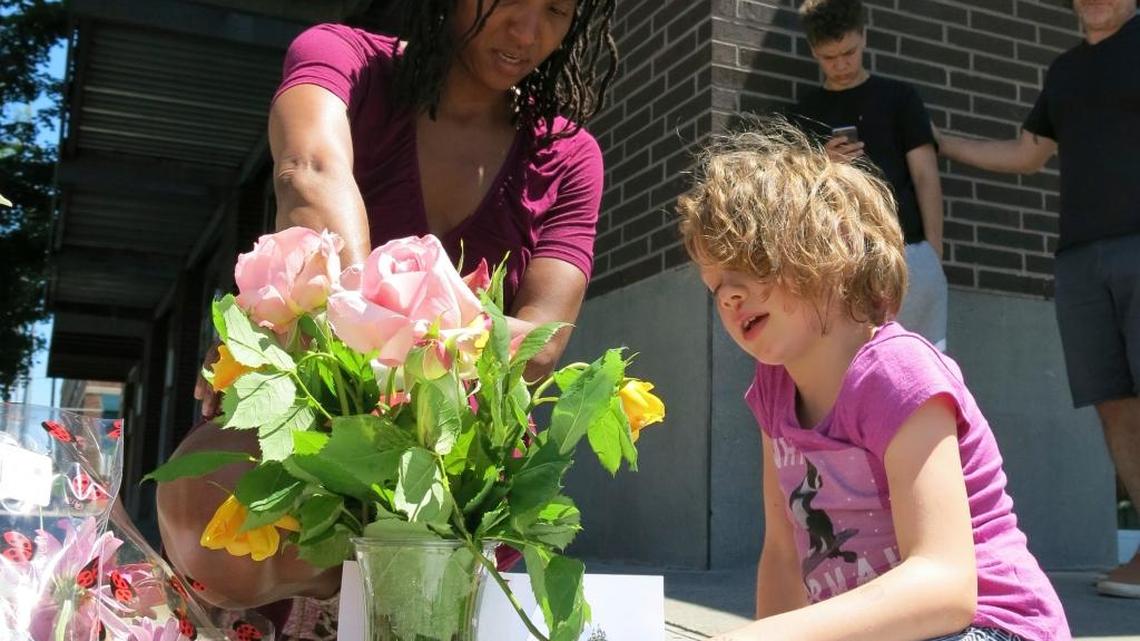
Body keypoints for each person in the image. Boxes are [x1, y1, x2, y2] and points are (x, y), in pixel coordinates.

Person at [155, 0, 619, 633]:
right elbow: (310, 173)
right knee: (202, 515)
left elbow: (542, 338)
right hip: (311, 418)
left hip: (456, 451)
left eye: (558, 11)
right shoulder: (341, 59)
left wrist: (406, 348)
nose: (529, 32)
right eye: (508, 0)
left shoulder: (569, 155)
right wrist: (351, 341)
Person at [676, 118, 1070, 641]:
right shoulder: (771, 390)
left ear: (831, 250)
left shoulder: (896, 371)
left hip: (991, 627)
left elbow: (945, 585)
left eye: (753, 263)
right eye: (714, 284)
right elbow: (781, 552)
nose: (727, 295)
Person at [934, 0, 1140, 599]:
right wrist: (940, 143)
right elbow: (1028, 153)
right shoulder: (1065, 71)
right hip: (1080, 257)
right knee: (1114, 402)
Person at [790, 0, 948, 350]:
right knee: (849, 373)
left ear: (864, 36)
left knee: (920, 365)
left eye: (849, 52)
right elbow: (792, 195)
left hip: (908, 252)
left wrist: (933, 251)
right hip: (836, 262)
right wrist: (820, 162)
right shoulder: (803, 114)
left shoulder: (899, 98)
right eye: (829, 58)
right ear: (813, 51)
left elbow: (925, 175)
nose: (842, 64)